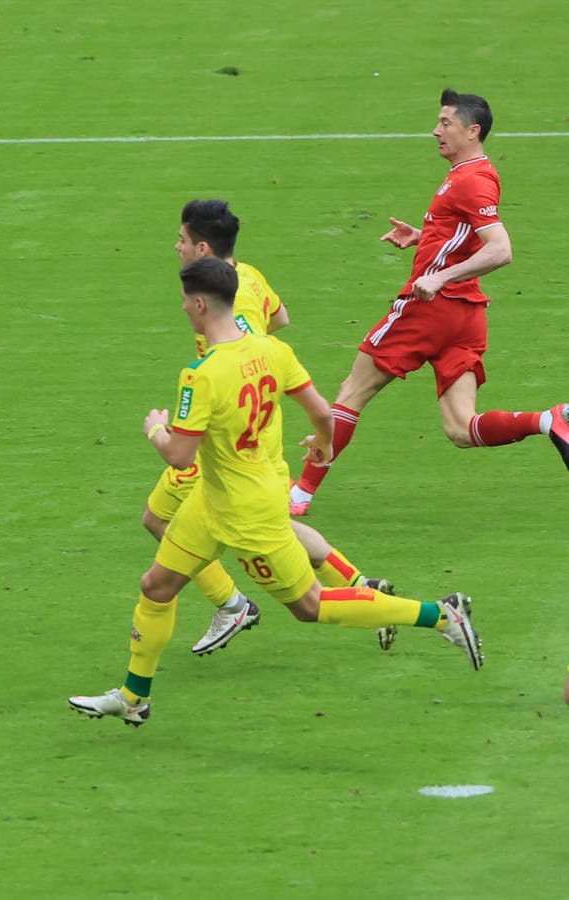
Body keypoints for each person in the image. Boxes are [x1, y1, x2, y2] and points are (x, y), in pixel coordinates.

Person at [69, 259, 481, 727]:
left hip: (247, 513)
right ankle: (133, 697)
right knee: (156, 586)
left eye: (185, 300)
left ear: (200, 304)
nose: (183, 307)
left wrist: (154, 429)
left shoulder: (200, 375)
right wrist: (324, 446)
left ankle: (440, 615)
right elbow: (324, 411)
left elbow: (180, 456)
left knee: (311, 606)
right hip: (216, 499)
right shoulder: (272, 350)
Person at [291, 88, 569, 516]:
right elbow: (466, 234)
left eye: (445, 123)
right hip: (467, 317)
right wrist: (427, 239)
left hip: (431, 309)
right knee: (461, 429)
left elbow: (500, 249)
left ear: (472, 131)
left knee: (351, 392)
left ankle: (299, 495)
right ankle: (549, 420)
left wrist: (438, 275)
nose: (435, 131)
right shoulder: (470, 174)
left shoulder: (472, 179)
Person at [149, 200, 394, 657]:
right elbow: (279, 319)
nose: (176, 246)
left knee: (160, 518)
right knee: (272, 525)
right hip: (256, 426)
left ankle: (232, 605)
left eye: (181, 240)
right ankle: (362, 583)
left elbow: (246, 340)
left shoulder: (228, 305)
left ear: (202, 248)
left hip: (229, 433)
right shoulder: (251, 275)